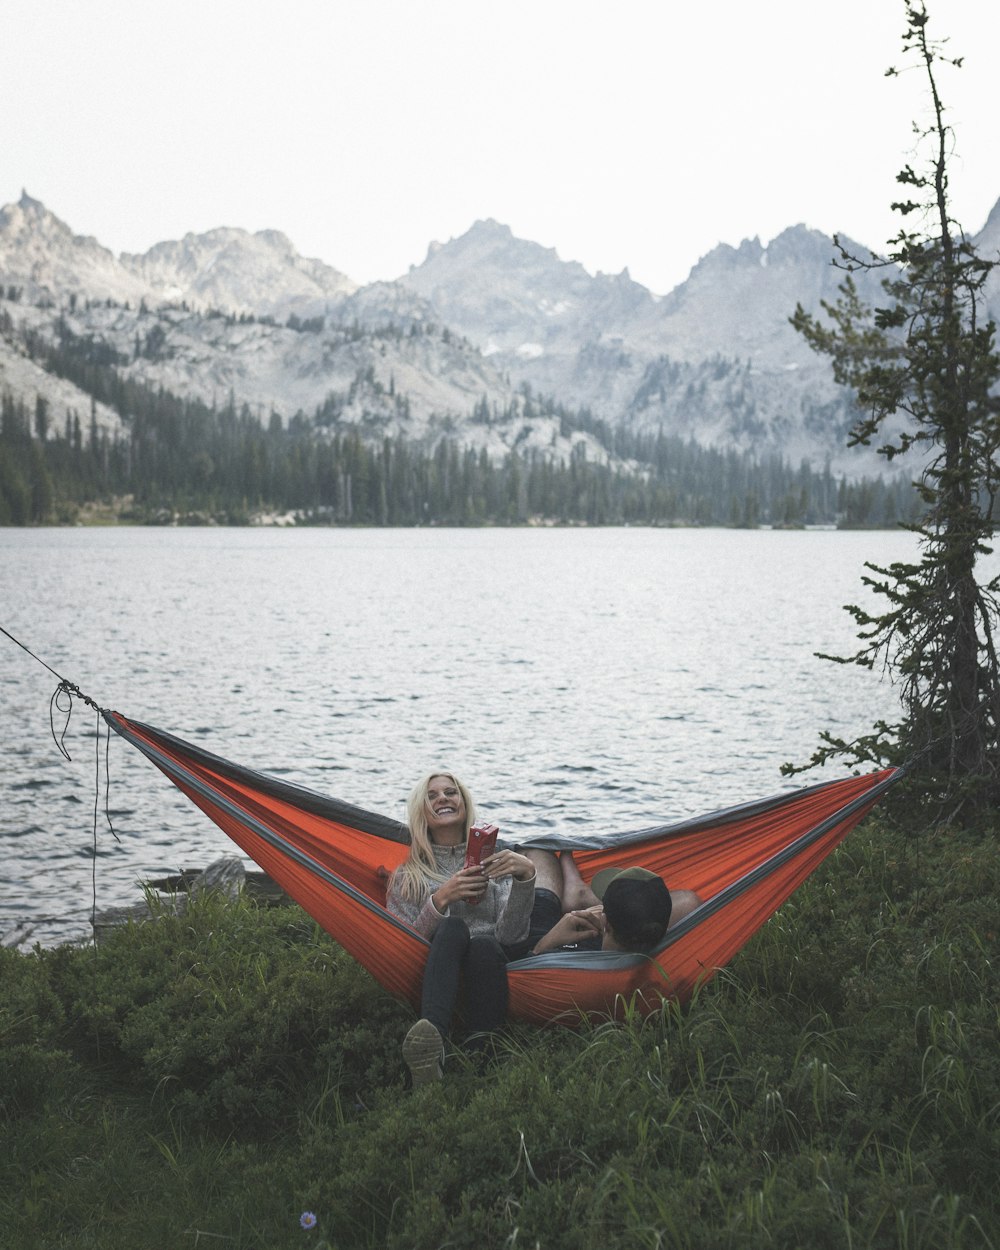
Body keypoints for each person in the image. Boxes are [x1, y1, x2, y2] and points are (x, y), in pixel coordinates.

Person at [386, 772, 536, 1086]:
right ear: (421, 812)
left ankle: (478, 1056)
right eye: (432, 795)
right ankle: (432, 1046)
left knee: (482, 944)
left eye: (451, 792)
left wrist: (525, 879)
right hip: (436, 968)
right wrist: (440, 900)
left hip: (489, 965)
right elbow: (398, 948)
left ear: (464, 804)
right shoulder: (408, 876)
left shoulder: (495, 863)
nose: (443, 798)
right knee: (453, 928)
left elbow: (512, 937)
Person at [511, 849, 703, 957]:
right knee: (689, 900)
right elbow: (689, 902)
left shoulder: (573, 973)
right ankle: (580, 895)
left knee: (539, 851)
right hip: (629, 934)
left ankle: (580, 894)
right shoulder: (665, 960)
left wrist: (544, 945)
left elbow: (526, 973)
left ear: (604, 922)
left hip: (542, 940)